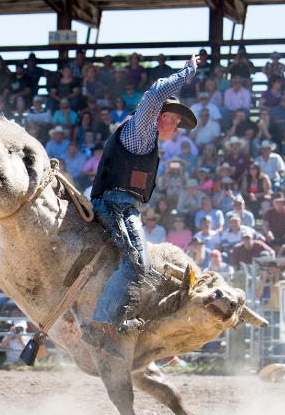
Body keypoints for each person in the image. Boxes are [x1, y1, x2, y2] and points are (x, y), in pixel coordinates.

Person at [82, 54, 199, 358]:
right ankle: (102, 324)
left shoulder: (145, 140)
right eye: (174, 121)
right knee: (138, 262)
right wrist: (187, 72)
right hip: (116, 203)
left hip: (121, 203)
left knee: (143, 265)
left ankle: (121, 322)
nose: (175, 128)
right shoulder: (141, 130)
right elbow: (154, 94)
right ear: (162, 117)